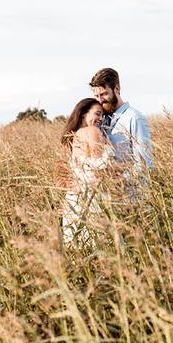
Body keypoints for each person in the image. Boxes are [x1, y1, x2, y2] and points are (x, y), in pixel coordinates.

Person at [59, 97, 115, 249]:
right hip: (92, 198)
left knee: (79, 248)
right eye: (97, 114)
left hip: (74, 200)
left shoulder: (76, 135)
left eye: (102, 115)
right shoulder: (92, 131)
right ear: (84, 114)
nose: (100, 119)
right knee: (99, 248)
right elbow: (101, 165)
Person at [89, 68, 153, 197]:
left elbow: (145, 164)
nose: (100, 100)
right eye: (96, 96)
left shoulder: (134, 118)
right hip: (109, 200)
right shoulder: (101, 119)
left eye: (104, 94)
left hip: (133, 197)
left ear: (117, 89)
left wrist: (117, 182)